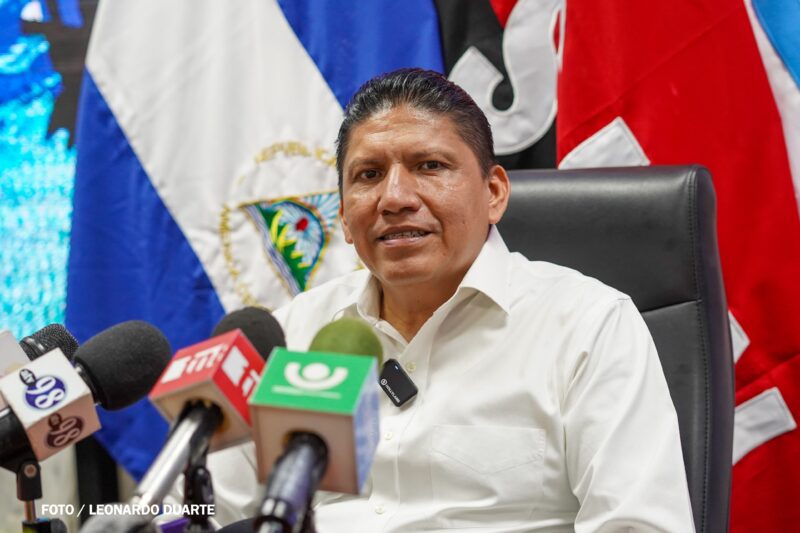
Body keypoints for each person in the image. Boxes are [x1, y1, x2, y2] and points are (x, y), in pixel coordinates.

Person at [194, 68, 696, 531]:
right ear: (343, 216)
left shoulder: (586, 325)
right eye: (369, 175)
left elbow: (641, 525)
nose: (395, 198)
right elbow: (199, 512)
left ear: (494, 192)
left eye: (429, 166)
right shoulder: (294, 335)